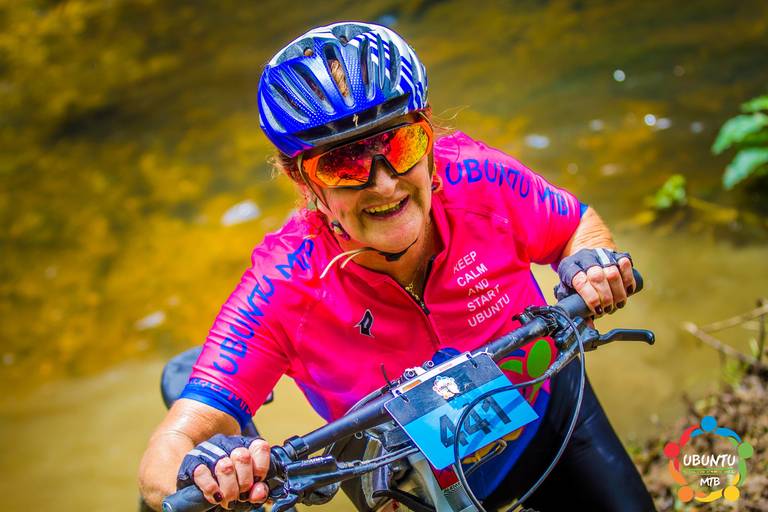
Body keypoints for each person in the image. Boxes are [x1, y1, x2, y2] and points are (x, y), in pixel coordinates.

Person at [139, 22, 656, 512]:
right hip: (409, 494)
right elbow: (166, 454)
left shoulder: (483, 182)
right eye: (343, 165)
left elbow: (575, 226)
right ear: (305, 182)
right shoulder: (283, 286)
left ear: (428, 137)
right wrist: (204, 471)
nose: (384, 183)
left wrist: (591, 263)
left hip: (550, 419)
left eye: (401, 144)